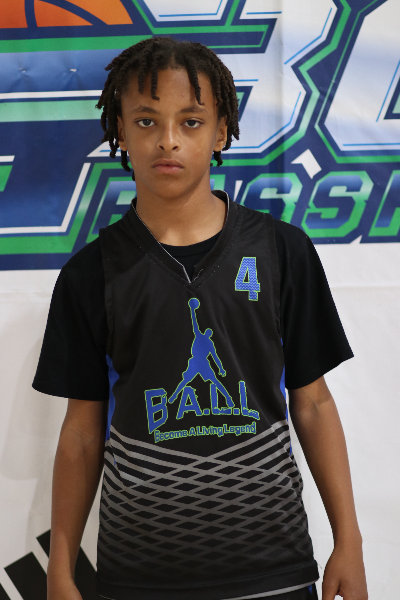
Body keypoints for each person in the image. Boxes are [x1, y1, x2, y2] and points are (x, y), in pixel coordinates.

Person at [33, 37, 368, 600]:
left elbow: (313, 404)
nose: (168, 139)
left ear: (220, 133)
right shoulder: (90, 274)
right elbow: (83, 433)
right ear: (120, 131)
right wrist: (60, 567)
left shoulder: (281, 251)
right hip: (137, 578)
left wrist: (349, 541)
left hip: (274, 570)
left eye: (190, 121)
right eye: (146, 120)